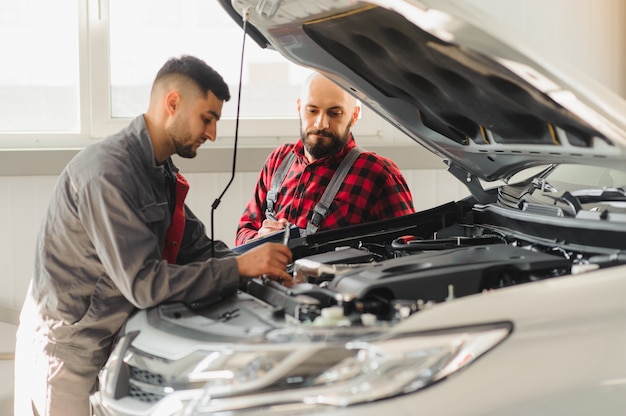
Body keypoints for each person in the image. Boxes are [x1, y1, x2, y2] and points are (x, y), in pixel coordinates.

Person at [14, 55, 293, 416]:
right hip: (65, 355)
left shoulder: (158, 172)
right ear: (173, 103)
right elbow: (144, 283)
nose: (212, 133)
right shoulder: (108, 175)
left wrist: (262, 262)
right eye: (207, 118)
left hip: (108, 343)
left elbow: (197, 249)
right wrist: (239, 268)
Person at [235, 72, 415, 245]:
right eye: (312, 111)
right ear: (299, 108)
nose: (321, 124)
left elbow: (406, 251)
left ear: (353, 116)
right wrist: (260, 238)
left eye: (334, 113)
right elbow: (244, 231)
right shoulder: (278, 161)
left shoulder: (378, 174)